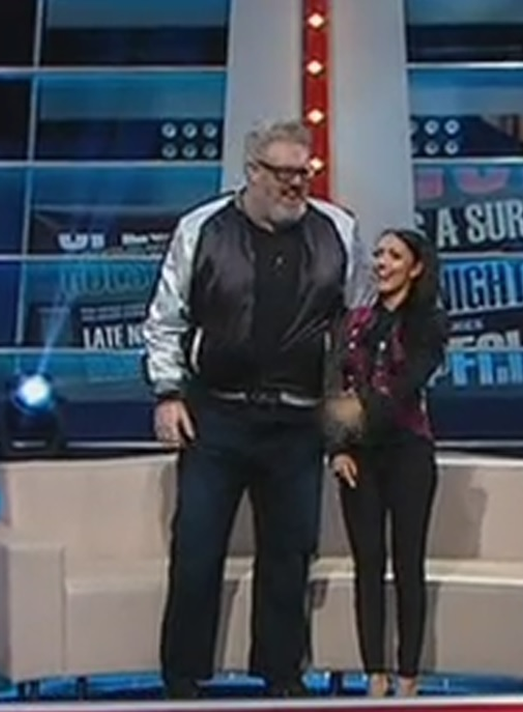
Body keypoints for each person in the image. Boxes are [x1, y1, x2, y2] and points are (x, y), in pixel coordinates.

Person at [142, 119, 361, 698]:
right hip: (216, 417)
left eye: (302, 173)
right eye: (282, 173)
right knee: (197, 549)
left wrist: (344, 414)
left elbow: (354, 328)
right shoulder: (202, 228)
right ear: (252, 173)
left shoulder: (338, 229)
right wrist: (168, 393)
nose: (294, 184)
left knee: (289, 554)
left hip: (298, 422)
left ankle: (282, 677)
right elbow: (165, 320)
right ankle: (182, 677)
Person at [323, 229, 448, 698]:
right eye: (378, 254)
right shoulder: (355, 321)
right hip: (359, 459)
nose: (381, 263)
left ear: (416, 267)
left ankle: (408, 677)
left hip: (408, 454)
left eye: (394, 255)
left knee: (407, 564)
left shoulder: (429, 324)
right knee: (368, 565)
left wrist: (358, 417)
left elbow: (404, 387)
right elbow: (335, 383)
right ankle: (374, 676)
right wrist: (338, 447)